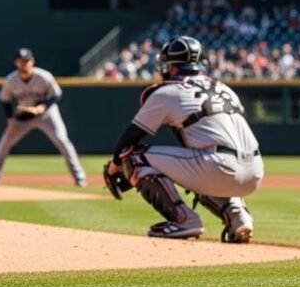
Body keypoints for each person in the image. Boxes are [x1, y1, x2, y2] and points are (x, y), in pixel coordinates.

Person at [106, 36, 263, 242]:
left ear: (171, 67)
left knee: (133, 156)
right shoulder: (225, 88)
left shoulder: (168, 91)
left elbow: (128, 140)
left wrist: (114, 168)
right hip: (255, 170)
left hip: (217, 165)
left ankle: (184, 221)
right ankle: (238, 217)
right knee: (204, 163)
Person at [0, 48, 87, 187]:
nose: (23, 64)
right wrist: (10, 121)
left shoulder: (43, 76)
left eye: (26, 61)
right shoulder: (11, 80)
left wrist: (42, 107)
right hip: (24, 116)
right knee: (4, 143)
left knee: (62, 140)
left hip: (47, 115)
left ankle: (79, 178)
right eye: (20, 61)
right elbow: (5, 100)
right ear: (16, 63)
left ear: (32, 62)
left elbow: (57, 94)